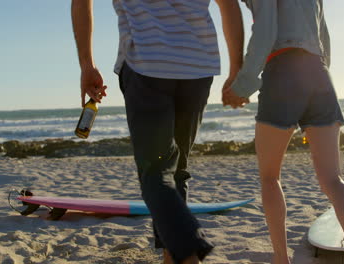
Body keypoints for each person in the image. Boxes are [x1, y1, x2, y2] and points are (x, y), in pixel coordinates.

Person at [71, 0, 244, 263]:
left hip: (146, 65)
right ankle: (171, 256)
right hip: (197, 66)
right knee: (175, 171)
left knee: (156, 173)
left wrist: (86, 64)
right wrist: (236, 69)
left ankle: (188, 249)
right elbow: (229, 4)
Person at [223, 1, 344, 263]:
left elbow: (266, 32)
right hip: (319, 73)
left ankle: (281, 258)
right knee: (333, 180)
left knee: (270, 178)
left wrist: (243, 84)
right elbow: (324, 35)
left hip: (282, 69)